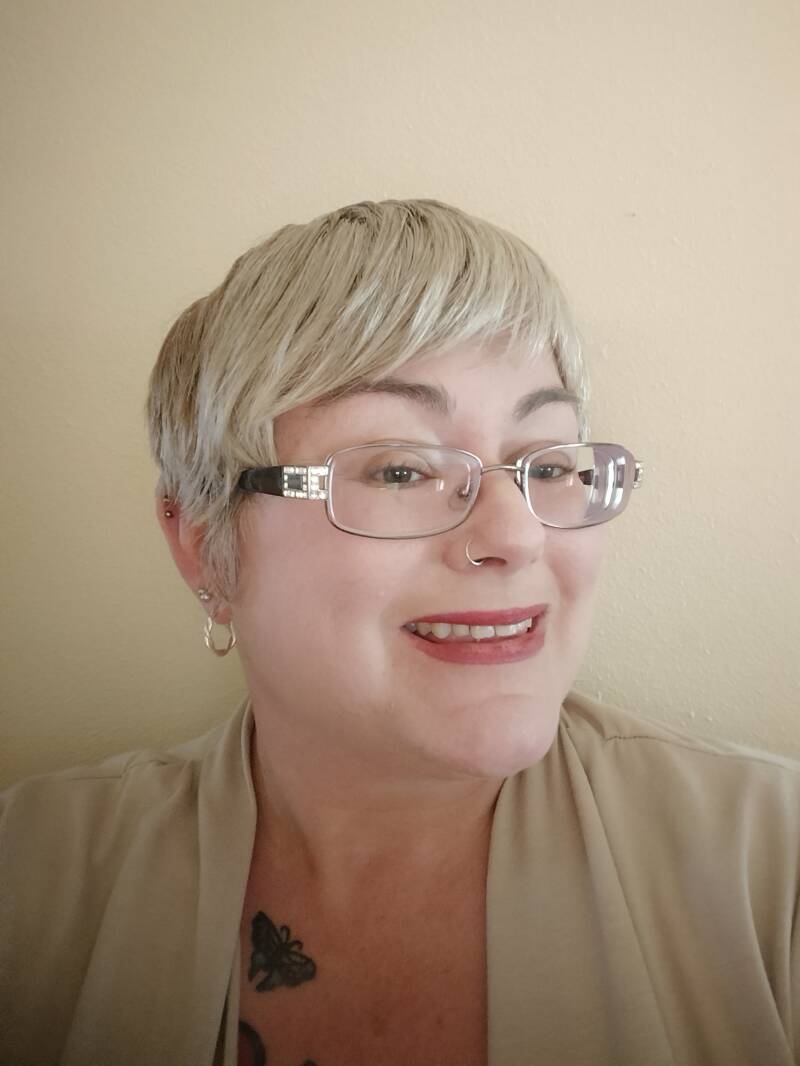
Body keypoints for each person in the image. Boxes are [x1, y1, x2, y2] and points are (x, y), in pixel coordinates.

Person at [2, 200, 798, 1066]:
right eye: (399, 469)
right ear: (204, 544)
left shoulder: (772, 871)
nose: (518, 535)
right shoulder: (30, 884)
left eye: (547, 464)